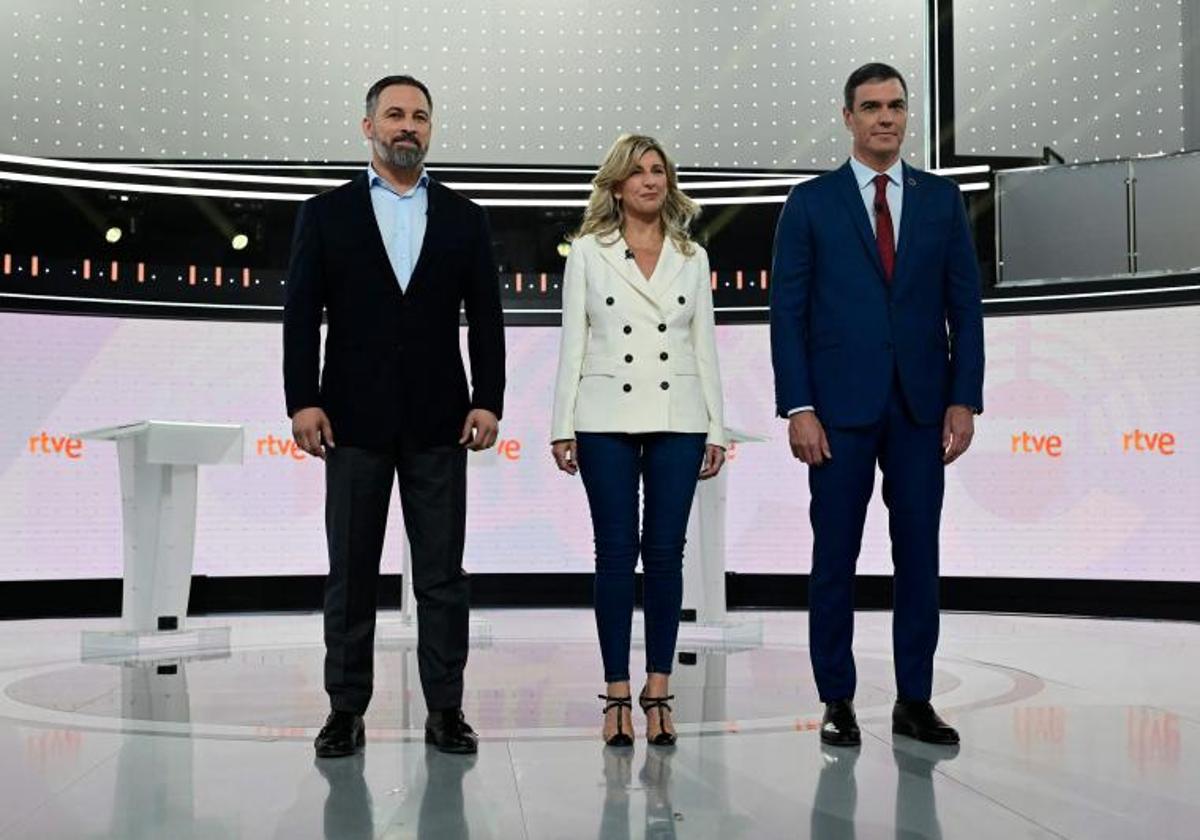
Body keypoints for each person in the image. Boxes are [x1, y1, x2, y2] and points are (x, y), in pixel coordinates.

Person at [284, 74, 505, 757]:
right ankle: (345, 710)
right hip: (350, 420)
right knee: (350, 574)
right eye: (395, 115)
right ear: (368, 126)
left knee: (442, 575)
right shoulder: (324, 214)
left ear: (431, 129)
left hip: (441, 419)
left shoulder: (466, 217)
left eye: (420, 117)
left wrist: (488, 398)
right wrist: (303, 399)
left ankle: (446, 710)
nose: (408, 126)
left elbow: (487, 320)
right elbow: (300, 317)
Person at [769, 63, 985, 747]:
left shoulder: (942, 200)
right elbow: (788, 314)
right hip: (836, 412)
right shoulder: (810, 202)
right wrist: (798, 405)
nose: (885, 117)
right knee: (835, 555)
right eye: (871, 107)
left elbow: (965, 308)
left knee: (918, 554)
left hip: (923, 409)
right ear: (848, 118)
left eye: (895, 105)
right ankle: (836, 699)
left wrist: (964, 399)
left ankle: (914, 700)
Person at [550, 134, 727, 747]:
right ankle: (615, 694)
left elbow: (704, 344)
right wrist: (561, 424)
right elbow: (574, 339)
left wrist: (717, 427)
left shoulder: (693, 256)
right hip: (603, 413)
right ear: (617, 185)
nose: (651, 180)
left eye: (660, 171)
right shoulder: (588, 253)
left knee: (666, 554)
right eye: (639, 172)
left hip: (681, 412)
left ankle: (659, 691)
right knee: (614, 552)